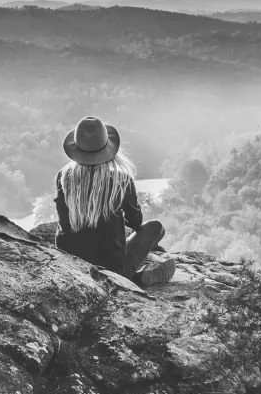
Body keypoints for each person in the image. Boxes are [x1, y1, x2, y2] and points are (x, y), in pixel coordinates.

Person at [54, 115, 175, 286]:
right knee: (155, 228)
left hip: (70, 262)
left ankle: (136, 275)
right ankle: (136, 277)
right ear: (108, 148)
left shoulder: (64, 177)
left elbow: (62, 216)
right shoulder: (121, 179)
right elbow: (136, 222)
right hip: (111, 265)